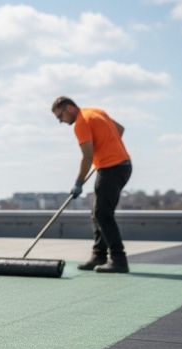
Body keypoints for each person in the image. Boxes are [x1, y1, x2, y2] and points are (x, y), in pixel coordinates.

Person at [52, 96, 133, 273]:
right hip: (122, 166)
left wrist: (78, 183)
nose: (61, 121)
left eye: (60, 116)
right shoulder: (96, 111)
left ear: (69, 108)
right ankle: (99, 256)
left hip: (112, 168)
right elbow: (120, 129)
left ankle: (119, 260)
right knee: (97, 213)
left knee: (103, 214)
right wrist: (105, 147)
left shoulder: (81, 123)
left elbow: (87, 157)